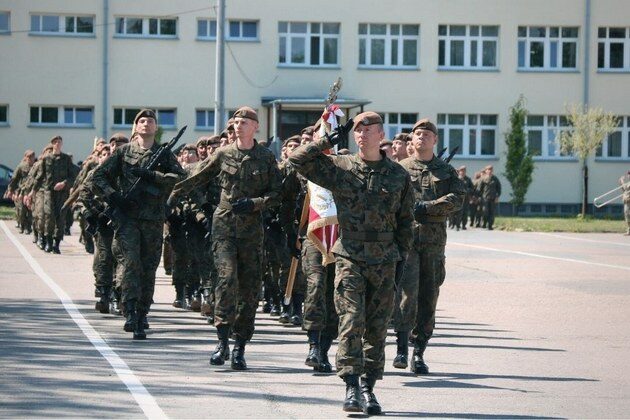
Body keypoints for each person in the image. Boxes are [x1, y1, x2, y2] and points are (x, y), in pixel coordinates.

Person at [289, 112, 414, 415]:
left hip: (384, 259)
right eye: (357, 130)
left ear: (381, 134)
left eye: (368, 130)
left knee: (376, 327)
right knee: (350, 321)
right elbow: (296, 161)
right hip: (349, 256)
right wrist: (321, 143)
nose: (362, 135)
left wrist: (399, 259)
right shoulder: (341, 167)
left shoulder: (398, 175)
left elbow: (405, 222)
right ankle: (351, 386)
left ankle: (370, 388)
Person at [170, 107, 282, 370]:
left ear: (256, 126)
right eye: (236, 122)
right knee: (226, 279)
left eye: (244, 122)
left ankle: (240, 346)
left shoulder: (266, 157)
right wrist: (171, 192)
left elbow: (277, 194)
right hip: (224, 227)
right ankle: (222, 341)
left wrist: (255, 203)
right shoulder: (223, 153)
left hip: (252, 231)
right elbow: (196, 176)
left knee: (249, 289)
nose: (239, 126)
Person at [91, 109, 185, 340]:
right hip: (128, 218)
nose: (146, 124)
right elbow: (98, 177)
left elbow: (179, 179)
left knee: (148, 266)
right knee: (131, 264)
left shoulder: (163, 154)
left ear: (155, 127)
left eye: (150, 121)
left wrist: (153, 176)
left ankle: (143, 312)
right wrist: (113, 196)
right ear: (136, 127)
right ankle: (130, 311)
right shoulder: (123, 152)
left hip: (153, 219)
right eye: (141, 121)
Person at [397, 118, 465, 376]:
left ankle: (419, 352)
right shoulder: (401, 169)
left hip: (434, 245)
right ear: (411, 140)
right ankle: (402, 348)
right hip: (407, 242)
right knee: (406, 295)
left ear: (435, 140)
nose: (422, 137)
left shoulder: (447, 172)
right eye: (418, 134)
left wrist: (429, 207)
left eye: (427, 134)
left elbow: (458, 199)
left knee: (428, 297)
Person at [29, 136, 76, 254]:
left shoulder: (66, 159)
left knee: (60, 217)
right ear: (52, 144)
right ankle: (48, 241)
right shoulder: (46, 159)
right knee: (49, 216)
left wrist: (64, 184)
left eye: (60, 142)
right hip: (48, 192)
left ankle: (56, 243)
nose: (58, 144)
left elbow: (72, 177)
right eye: (55, 142)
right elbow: (40, 177)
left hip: (62, 193)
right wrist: (32, 192)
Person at [7, 150, 35, 234]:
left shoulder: (36, 166)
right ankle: (22, 225)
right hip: (21, 191)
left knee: (30, 211)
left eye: (32, 157)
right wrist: (10, 190)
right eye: (29, 157)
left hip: (31, 191)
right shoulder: (21, 166)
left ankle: (28, 227)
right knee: (22, 210)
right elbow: (14, 179)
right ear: (25, 157)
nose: (30, 159)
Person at [479, 165, 501, 230]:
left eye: (491, 170)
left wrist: (497, 196)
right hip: (485, 198)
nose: (490, 171)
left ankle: (490, 225)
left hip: (493, 198)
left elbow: (499, 188)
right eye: (488, 170)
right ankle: (484, 223)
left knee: (492, 212)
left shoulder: (495, 179)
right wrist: (480, 197)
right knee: (485, 212)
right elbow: (480, 189)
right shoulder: (483, 179)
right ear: (486, 171)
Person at [620, 170, 630, 235]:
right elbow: (624, 189)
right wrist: (621, 183)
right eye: (628, 174)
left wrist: (622, 181)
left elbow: (626, 187)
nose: (629, 175)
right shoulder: (628, 182)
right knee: (627, 216)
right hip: (626, 201)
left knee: (629, 215)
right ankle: (629, 230)